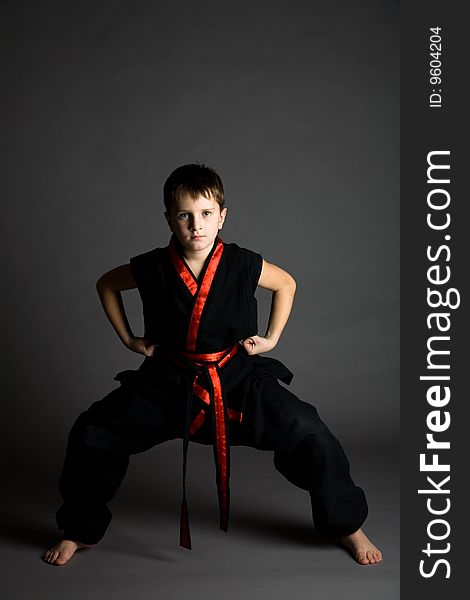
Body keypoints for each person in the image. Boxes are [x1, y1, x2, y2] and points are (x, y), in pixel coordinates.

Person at [42, 163, 382, 567]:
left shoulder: (240, 263)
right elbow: (107, 284)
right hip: (167, 381)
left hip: (236, 380)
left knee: (308, 430)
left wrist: (272, 338)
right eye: (184, 215)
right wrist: (129, 339)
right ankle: (79, 530)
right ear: (169, 217)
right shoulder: (151, 266)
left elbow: (285, 283)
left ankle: (347, 526)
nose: (195, 225)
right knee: (91, 432)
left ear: (222, 216)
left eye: (205, 214)